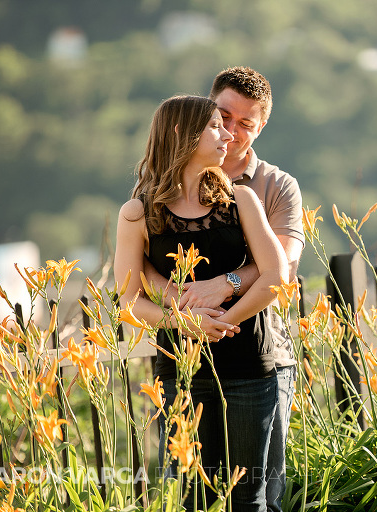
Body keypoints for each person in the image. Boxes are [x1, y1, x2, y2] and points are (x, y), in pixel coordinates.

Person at [114, 94, 287, 511]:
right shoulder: (138, 214)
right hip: (180, 374)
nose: (229, 135)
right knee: (192, 498)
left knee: (249, 498)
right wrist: (184, 325)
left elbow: (276, 278)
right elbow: (128, 299)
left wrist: (225, 319)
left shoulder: (242, 201)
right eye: (216, 126)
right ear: (181, 133)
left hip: (250, 369)